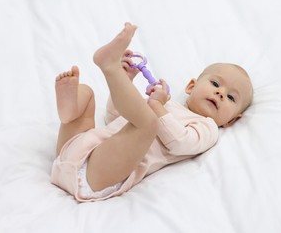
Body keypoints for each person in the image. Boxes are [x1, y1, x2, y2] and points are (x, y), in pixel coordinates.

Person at [50, 23, 253, 202]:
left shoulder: (207, 127)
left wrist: (156, 106)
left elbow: (180, 143)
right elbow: (116, 118)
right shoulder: (167, 105)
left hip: (98, 175)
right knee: (86, 93)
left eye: (231, 98)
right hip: (73, 152)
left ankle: (110, 68)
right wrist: (127, 81)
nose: (220, 93)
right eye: (216, 83)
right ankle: (69, 113)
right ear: (191, 86)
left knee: (148, 124)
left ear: (231, 121)